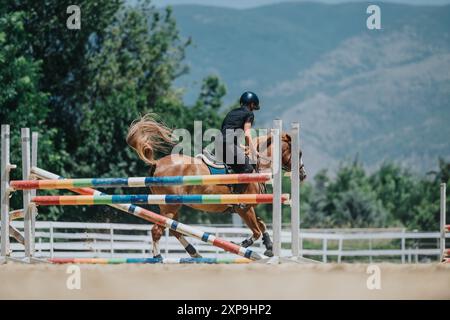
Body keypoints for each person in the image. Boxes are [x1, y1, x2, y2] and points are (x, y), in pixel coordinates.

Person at [220, 91, 260, 180]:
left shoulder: (231, 112)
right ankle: (238, 193)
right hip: (228, 145)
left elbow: (225, 132)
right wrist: (254, 151)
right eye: (254, 107)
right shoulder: (249, 114)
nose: (253, 110)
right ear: (252, 104)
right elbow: (247, 134)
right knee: (249, 169)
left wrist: (241, 146)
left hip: (218, 144)